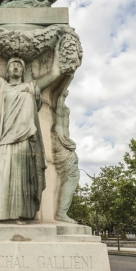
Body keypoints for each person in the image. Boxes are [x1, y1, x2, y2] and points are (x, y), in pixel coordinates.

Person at [0, 36, 61, 221]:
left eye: (19, 65)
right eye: (12, 64)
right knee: (1, 177)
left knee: (22, 182)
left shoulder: (31, 87)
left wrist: (57, 49)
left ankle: (23, 216)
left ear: (23, 70)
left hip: (25, 140)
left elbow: (54, 74)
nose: (16, 67)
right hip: (4, 140)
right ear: (7, 69)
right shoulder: (0, 85)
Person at [52, 88, 80, 223]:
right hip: (60, 142)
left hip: (63, 143)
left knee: (72, 174)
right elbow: (57, 126)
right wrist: (64, 140)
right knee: (73, 174)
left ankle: (61, 212)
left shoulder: (62, 105)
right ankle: (61, 212)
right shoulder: (58, 103)